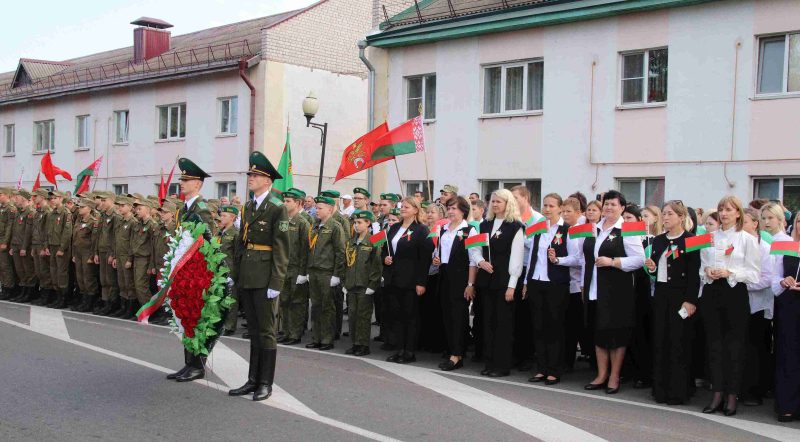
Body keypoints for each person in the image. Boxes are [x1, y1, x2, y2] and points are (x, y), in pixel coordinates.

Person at [228, 151, 289, 401]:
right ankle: (252, 380)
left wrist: (276, 282)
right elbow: (242, 244)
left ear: (268, 180)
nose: (250, 178)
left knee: (266, 331)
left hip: (265, 277)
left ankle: (265, 382)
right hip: (249, 274)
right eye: (250, 174)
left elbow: (282, 249)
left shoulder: (277, 208)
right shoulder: (249, 206)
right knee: (253, 330)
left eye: (255, 175)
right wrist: (236, 273)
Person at [699, 196, 760, 416]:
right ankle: (717, 392)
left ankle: (732, 395)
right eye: (721, 209)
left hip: (735, 294)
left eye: (729, 210)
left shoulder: (747, 239)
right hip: (712, 292)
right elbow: (702, 265)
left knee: (734, 346)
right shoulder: (708, 237)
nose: (724, 214)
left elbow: (754, 273)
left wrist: (730, 272)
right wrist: (707, 272)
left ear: (738, 214)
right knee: (714, 345)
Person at [582, 190, 645, 394]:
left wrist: (613, 262)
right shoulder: (596, 228)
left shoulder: (627, 229)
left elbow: (639, 259)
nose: (608, 208)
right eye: (606, 204)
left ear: (622, 208)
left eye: (613, 205)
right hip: (597, 288)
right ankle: (601, 374)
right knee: (599, 333)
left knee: (616, 334)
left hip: (617, 290)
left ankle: (614, 376)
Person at [645, 200, 700, 405]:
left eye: (670, 214)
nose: (666, 218)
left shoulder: (690, 240)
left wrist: (691, 300)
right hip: (661, 294)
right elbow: (654, 270)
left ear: (681, 217)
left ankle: (679, 390)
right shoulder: (658, 241)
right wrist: (651, 267)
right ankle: (660, 388)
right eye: (664, 214)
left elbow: (695, 275)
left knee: (679, 342)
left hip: (681, 296)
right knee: (661, 340)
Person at [523, 193, 581, 385]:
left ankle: (555, 369)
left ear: (560, 208)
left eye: (551, 206)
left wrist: (558, 260)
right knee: (538, 326)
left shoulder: (567, 231)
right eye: (545, 205)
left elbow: (576, 259)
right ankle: (541, 368)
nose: (547, 209)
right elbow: (532, 256)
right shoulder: (538, 228)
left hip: (556, 284)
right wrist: (526, 281)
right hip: (536, 281)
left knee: (554, 327)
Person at [475, 189, 525, 378]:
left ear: (508, 203)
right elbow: (476, 248)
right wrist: (480, 261)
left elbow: (517, 258)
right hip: (486, 280)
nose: (495, 204)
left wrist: (512, 285)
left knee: (503, 325)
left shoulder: (515, 226)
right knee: (488, 323)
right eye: (493, 201)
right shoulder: (485, 224)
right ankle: (489, 362)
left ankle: (502, 365)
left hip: (505, 281)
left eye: (499, 202)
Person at [383, 196, 432, 364]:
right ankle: (400, 349)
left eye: (407, 207)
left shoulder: (421, 230)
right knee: (396, 315)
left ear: (416, 210)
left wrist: (421, 282)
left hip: (411, 280)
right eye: (402, 206)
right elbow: (386, 248)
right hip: (393, 278)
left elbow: (424, 259)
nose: (403, 209)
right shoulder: (395, 227)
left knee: (410, 316)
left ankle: (409, 351)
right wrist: (386, 258)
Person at [434, 196, 480, 371]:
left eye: (454, 208)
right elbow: (438, 252)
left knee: (458, 318)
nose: (451, 211)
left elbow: (473, 260)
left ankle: (457, 355)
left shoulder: (470, 231)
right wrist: (436, 259)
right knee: (447, 316)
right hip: (444, 276)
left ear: (463, 211)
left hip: (460, 279)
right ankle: (452, 349)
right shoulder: (443, 229)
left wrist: (470, 284)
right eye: (449, 208)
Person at [740, 207, 774, 407]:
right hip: (738, 303)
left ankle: (755, 390)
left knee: (755, 349)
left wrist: (744, 284)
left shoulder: (764, 248)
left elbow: (767, 278)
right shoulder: (737, 244)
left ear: (755, 224)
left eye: (745, 222)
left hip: (757, 305)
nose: (741, 226)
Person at [304, 195, 345, 351]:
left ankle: (327, 339)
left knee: (327, 307)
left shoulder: (335, 227)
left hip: (327, 272)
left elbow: (340, 252)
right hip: (314, 271)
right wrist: (308, 269)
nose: (316, 211)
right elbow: (310, 249)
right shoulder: (315, 225)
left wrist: (336, 274)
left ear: (329, 209)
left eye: (320, 208)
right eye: (316, 207)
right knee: (316, 306)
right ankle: (316, 337)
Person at [511, 185, 544, 371]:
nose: (513, 201)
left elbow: (536, 245)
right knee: (514, 313)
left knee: (526, 314)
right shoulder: (512, 218)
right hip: (513, 268)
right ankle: (516, 353)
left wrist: (519, 239)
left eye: (516, 197)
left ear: (526, 198)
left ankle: (527, 355)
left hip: (528, 269)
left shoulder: (537, 219)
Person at [771, 213, 800, 422]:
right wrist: (783, 281)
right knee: (788, 355)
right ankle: (787, 405)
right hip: (789, 307)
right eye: (799, 221)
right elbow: (773, 278)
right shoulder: (786, 245)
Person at [622, 204, 654, 390]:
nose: (626, 222)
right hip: (625, 288)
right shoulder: (619, 237)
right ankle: (627, 369)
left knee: (641, 331)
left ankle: (643, 373)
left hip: (642, 291)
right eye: (624, 218)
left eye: (629, 219)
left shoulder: (649, 240)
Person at [343, 210, 382, 356]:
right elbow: (345, 263)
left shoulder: (374, 240)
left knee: (363, 316)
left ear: (368, 223)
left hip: (365, 285)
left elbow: (377, 265)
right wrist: (344, 282)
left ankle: (363, 345)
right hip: (351, 284)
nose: (356, 226)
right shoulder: (351, 241)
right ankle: (355, 343)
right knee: (352, 315)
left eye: (360, 223)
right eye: (355, 223)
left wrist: (372, 285)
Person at [275, 189, 310, 346]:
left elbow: (305, 249)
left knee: (297, 302)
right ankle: (286, 331)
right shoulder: (283, 221)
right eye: (285, 200)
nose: (285, 203)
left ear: (298, 203)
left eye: (288, 201)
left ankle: (295, 334)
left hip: (296, 269)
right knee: (284, 301)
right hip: (283, 267)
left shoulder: (303, 223)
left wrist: (303, 272)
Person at [421, 202, 446, 354]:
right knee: (424, 309)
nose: (429, 214)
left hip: (436, 274)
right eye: (428, 212)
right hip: (424, 272)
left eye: (433, 212)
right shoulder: (424, 229)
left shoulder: (441, 229)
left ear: (441, 215)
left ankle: (436, 342)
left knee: (435, 309)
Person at [93, 192, 121, 315]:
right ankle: (105, 302)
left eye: (104, 200)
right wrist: (96, 252)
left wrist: (113, 254)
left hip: (109, 251)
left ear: (111, 200)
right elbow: (98, 235)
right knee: (103, 279)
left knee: (111, 280)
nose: (102, 203)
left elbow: (116, 237)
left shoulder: (115, 215)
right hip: (102, 250)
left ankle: (112, 303)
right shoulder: (103, 215)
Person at [71, 199, 100, 312]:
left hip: (87, 253)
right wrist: (74, 254)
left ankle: (90, 302)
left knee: (88, 278)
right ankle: (84, 300)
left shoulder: (93, 222)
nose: (80, 209)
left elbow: (94, 241)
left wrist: (92, 256)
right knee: (80, 278)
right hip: (78, 252)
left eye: (82, 207)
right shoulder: (79, 220)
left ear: (89, 208)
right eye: (79, 207)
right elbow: (75, 239)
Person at [45, 191, 73, 309]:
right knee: (53, 271)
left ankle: (63, 298)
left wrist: (62, 248)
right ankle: (57, 296)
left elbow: (67, 232)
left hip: (61, 247)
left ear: (61, 199)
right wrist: (46, 246)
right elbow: (48, 231)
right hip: (52, 246)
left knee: (61, 273)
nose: (52, 200)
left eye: (55, 198)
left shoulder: (66, 213)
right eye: (51, 198)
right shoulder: (52, 214)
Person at [131, 200, 157, 320]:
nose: (137, 211)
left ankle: (148, 311)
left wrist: (151, 264)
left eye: (140, 209)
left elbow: (153, 247)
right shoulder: (138, 224)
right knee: (137, 285)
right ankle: (144, 310)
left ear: (147, 209)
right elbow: (133, 242)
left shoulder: (152, 224)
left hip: (145, 259)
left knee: (141, 286)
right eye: (136, 209)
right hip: (137, 257)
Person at [217, 205, 241, 337]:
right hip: (218, 270)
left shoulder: (235, 233)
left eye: (224, 216)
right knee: (220, 298)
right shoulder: (221, 232)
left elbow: (237, 257)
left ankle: (230, 325)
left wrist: (234, 275)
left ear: (232, 218)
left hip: (229, 270)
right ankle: (221, 322)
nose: (221, 218)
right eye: (221, 215)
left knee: (230, 299)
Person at [9, 190, 36, 303]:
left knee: (28, 270)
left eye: (18, 197)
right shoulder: (19, 212)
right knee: (20, 270)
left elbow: (28, 233)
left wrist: (24, 247)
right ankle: (23, 290)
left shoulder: (30, 212)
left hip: (24, 246)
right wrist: (12, 246)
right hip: (16, 245)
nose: (16, 199)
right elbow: (14, 231)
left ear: (24, 198)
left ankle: (29, 292)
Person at [0, 188, 17, 301]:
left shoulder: (11, 209)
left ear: (6, 195)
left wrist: (5, 242)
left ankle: (9, 288)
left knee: (6, 266)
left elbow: (10, 227)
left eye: (0, 194)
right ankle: (4, 287)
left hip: (4, 240)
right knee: (1, 266)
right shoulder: (2, 208)